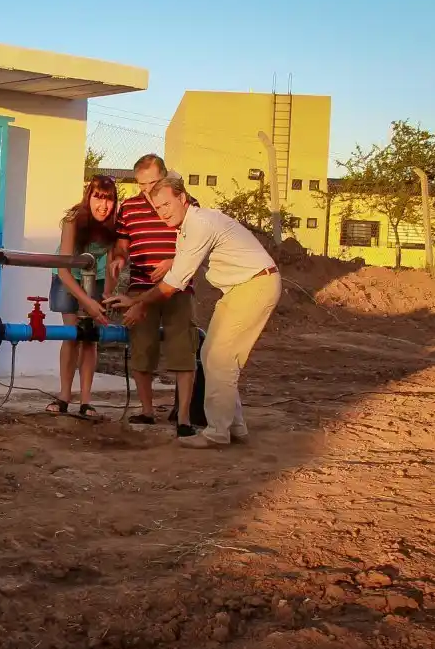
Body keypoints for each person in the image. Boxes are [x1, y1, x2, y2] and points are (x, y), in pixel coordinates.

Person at [103, 174, 281, 449]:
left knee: (222, 359)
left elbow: (175, 282)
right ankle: (234, 426)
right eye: (157, 207)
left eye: (166, 204)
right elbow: (177, 271)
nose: (162, 212)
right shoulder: (186, 227)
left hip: (255, 284)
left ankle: (217, 432)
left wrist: (137, 303)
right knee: (210, 354)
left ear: (182, 198)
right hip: (238, 288)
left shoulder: (199, 223)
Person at [105, 154, 200, 437]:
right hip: (140, 288)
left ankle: (183, 417)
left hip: (179, 286)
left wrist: (173, 262)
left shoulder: (185, 202)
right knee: (142, 349)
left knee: (183, 350)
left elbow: (198, 242)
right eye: (141, 184)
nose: (147, 189)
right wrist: (120, 259)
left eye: (153, 182)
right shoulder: (130, 208)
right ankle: (147, 411)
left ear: (165, 177)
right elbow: (123, 244)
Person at [46, 175, 115, 419]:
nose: (103, 205)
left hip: (94, 277)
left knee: (90, 338)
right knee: (72, 334)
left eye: (109, 199)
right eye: (98, 197)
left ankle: (86, 400)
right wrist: (87, 302)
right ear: (88, 197)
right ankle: (64, 395)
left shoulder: (113, 225)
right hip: (68, 278)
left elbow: (111, 265)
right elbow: (64, 270)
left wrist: (106, 295)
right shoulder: (73, 220)